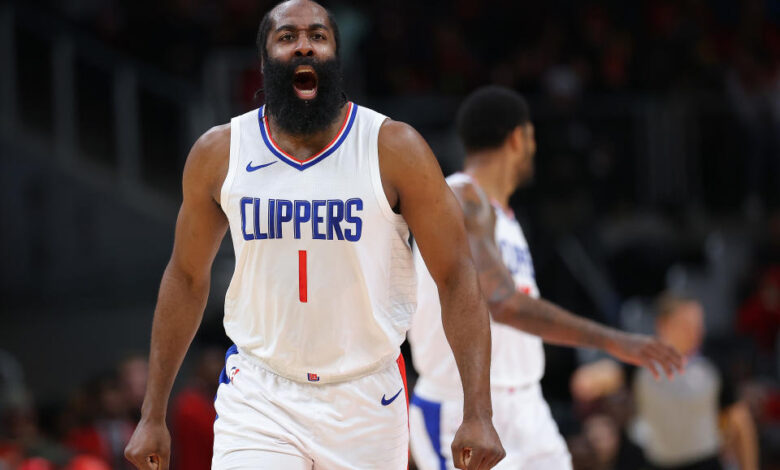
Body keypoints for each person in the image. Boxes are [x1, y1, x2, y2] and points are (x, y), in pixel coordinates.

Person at [123, 1, 505, 469]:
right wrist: (152, 414)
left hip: (366, 397)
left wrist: (479, 412)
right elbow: (185, 277)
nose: (304, 44)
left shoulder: (393, 148)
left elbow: (457, 276)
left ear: (335, 57)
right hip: (261, 394)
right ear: (264, 60)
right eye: (287, 37)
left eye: (318, 36)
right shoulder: (220, 152)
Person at [408, 86, 685, 470]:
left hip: (526, 405)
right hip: (464, 408)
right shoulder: (462, 200)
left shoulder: (505, 219)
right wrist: (615, 340)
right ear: (519, 138)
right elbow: (503, 302)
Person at [633, 292, 759, 470]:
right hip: (657, 463)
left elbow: (739, 421)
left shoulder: (713, 364)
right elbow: (609, 376)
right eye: (686, 325)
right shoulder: (641, 365)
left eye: (699, 324)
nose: (697, 331)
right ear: (663, 325)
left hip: (705, 463)